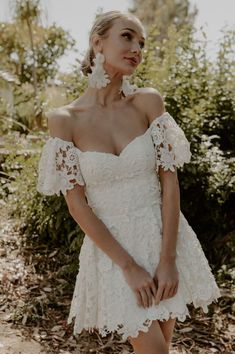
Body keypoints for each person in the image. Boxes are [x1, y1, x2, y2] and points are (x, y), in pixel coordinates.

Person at [37, 10, 221, 354]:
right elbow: (77, 204)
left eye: (142, 42)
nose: (137, 47)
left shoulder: (148, 102)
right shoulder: (64, 121)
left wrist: (167, 260)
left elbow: (169, 184)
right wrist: (129, 266)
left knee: (160, 347)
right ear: (97, 43)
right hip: (113, 254)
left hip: (162, 239)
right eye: (127, 37)